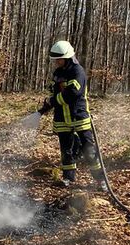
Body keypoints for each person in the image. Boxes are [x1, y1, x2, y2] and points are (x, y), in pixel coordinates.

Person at [38, 40, 106, 189]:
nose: (56, 62)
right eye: (55, 59)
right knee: (66, 150)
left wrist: (53, 100)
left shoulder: (77, 72)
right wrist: (46, 105)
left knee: (89, 149)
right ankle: (68, 178)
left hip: (78, 116)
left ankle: (100, 180)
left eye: (59, 59)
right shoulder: (58, 73)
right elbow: (54, 92)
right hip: (62, 118)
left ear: (67, 57)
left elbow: (73, 94)